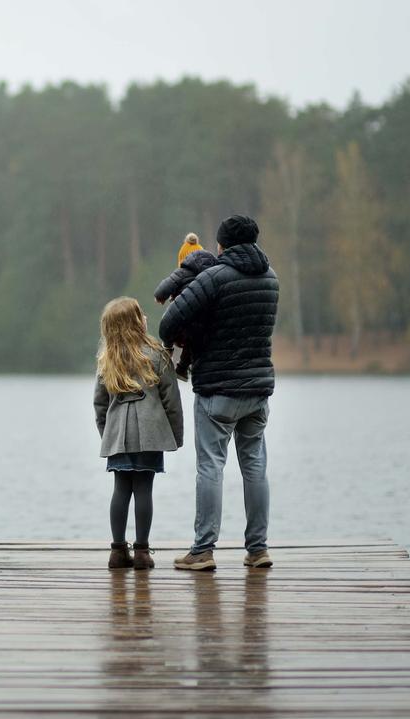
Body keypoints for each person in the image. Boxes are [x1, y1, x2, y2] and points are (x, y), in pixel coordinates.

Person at [159, 214, 279, 571]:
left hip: (217, 391)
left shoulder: (214, 278)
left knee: (210, 467)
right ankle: (258, 550)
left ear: (222, 246)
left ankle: (203, 550)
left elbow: (169, 322)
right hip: (258, 391)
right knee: (255, 467)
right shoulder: (271, 279)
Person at [94, 297, 185, 570]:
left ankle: (118, 551)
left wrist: (106, 434)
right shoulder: (157, 355)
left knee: (121, 489)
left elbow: (99, 403)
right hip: (150, 434)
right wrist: (175, 436)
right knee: (144, 489)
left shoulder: (107, 359)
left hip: (118, 436)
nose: (146, 317)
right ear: (134, 324)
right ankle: (142, 552)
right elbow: (171, 400)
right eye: (141, 314)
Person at [154, 232, 219, 380]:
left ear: (183, 259)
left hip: (183, 318)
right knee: (193, 340)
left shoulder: (181, 273)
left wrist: (160, 297)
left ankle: (167, 350)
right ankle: (182, 368)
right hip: (203, 322)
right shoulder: (211, 275)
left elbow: (162, 289)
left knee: (170, 326)